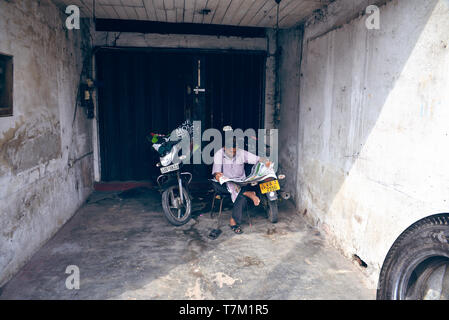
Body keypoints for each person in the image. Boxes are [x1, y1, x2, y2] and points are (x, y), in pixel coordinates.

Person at [211, 137, 271, 234]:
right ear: (224, 148)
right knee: (239, 192)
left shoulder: (241, 153)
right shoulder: (219, 154)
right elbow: (216, 172)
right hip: (225, 184)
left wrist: (266, 161)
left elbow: (257, 158)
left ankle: (233, 221)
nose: (232, 154)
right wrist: (218, 175)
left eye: (234, 152)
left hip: (240, 182)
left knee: (242, 194)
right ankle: (249, 194)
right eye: (230, 152)